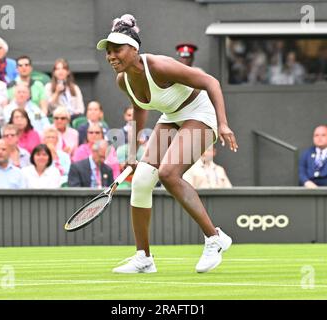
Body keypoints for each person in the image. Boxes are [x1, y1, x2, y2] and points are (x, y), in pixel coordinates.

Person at [96, 14, 238, 274]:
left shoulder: (161, 66)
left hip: (200, 113)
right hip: (171, 116)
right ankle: (144, 259)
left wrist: (224, 123)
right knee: (140, 181)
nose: (111, 56)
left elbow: (210, 82)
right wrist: (132, 150)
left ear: (134, 49)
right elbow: (139, 109)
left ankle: (214, 238)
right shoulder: (123, 80)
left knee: (169, 173)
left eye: (117, 50)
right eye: (108, 52)